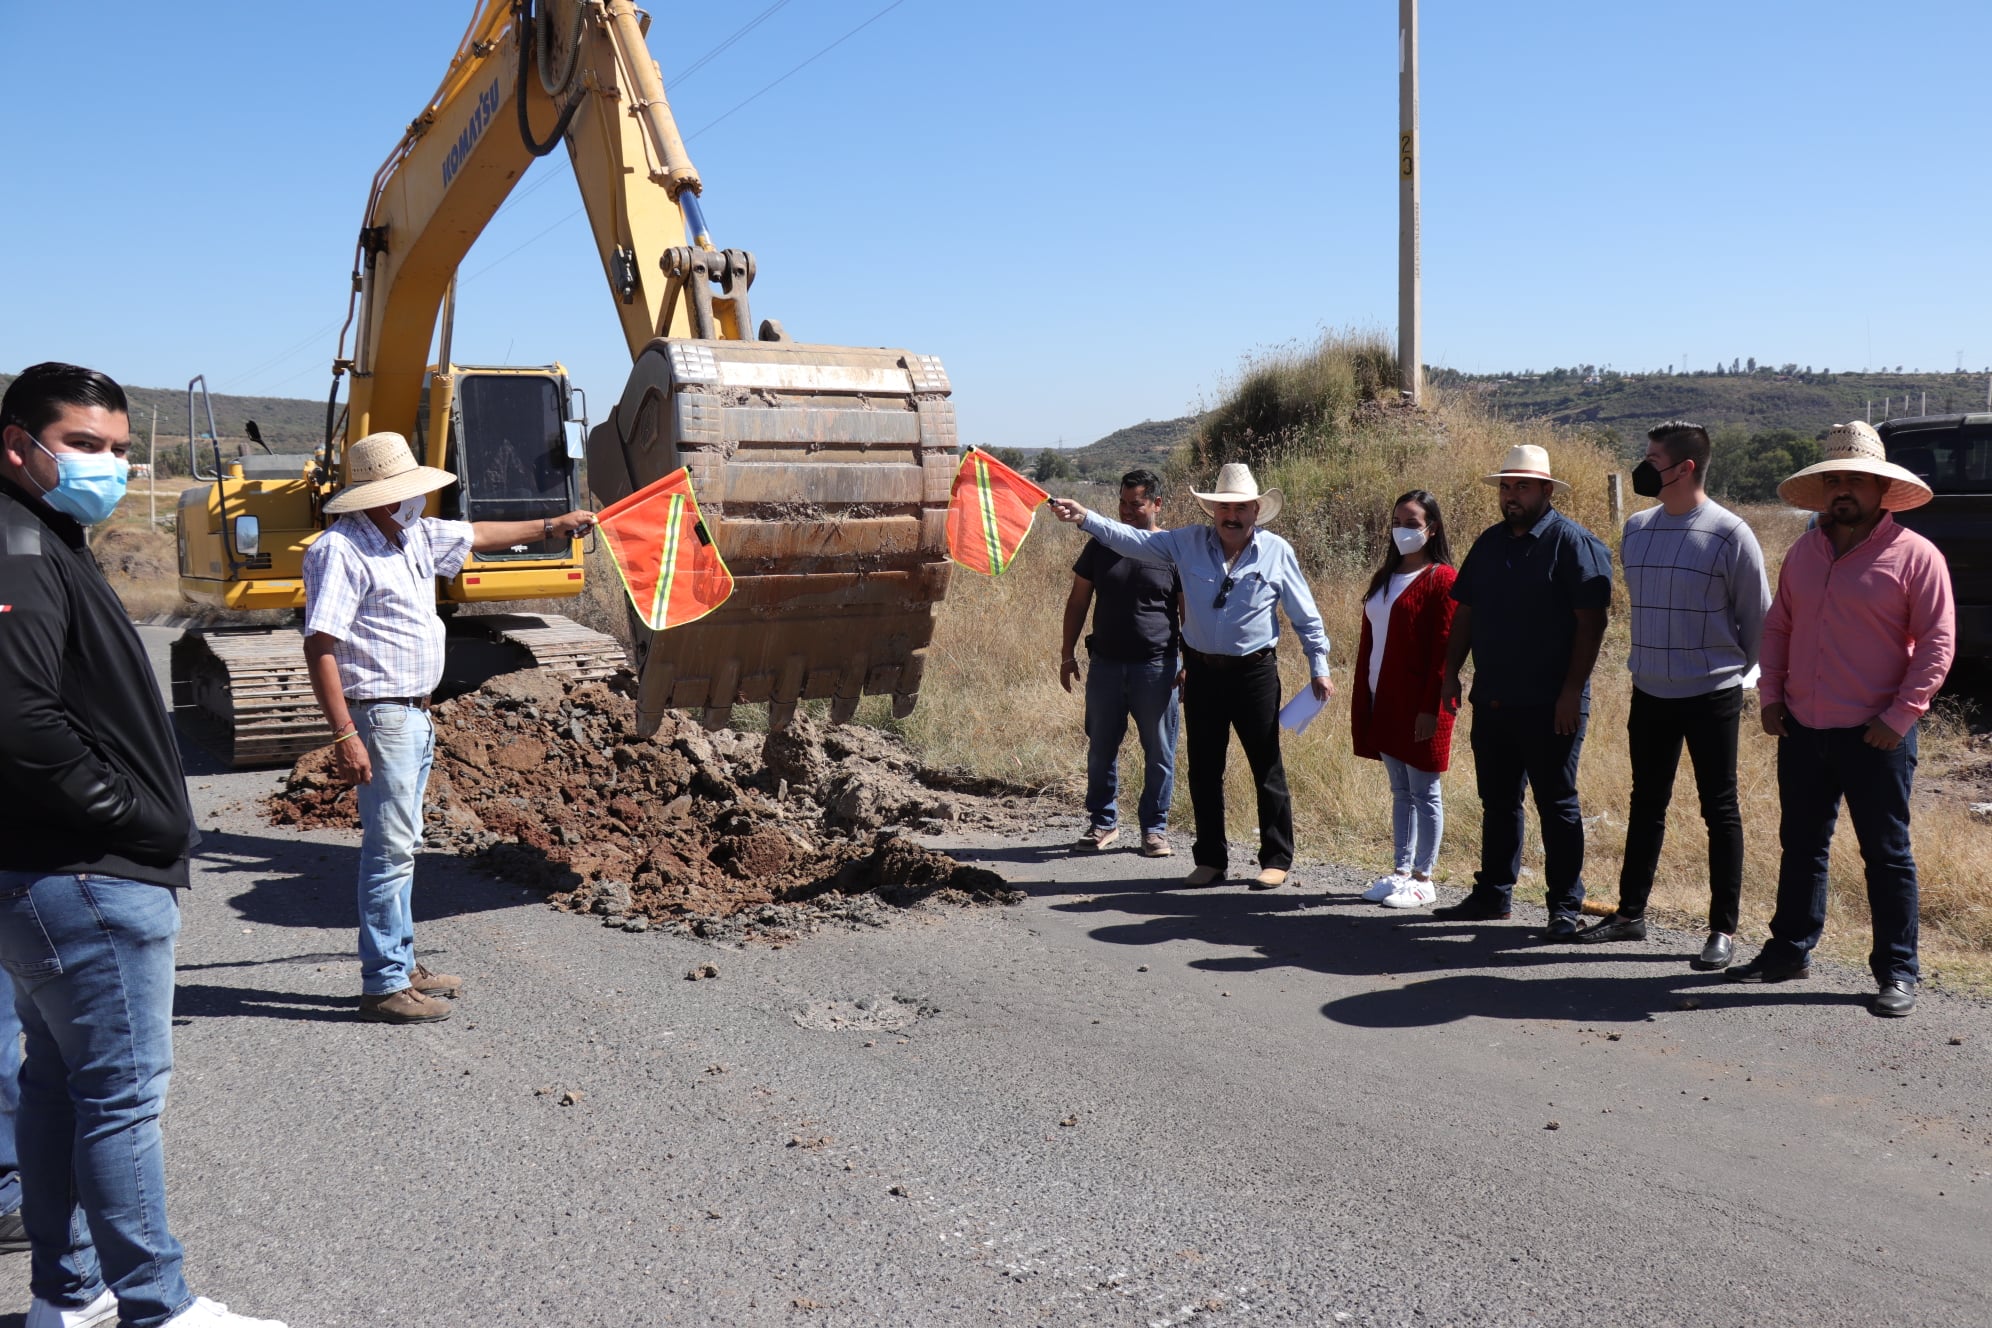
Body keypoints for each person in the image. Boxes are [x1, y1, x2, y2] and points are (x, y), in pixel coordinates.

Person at [0, 363, 286, 1327]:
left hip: (46, 871)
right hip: (86, 873)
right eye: (85, 444)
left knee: (54, 1089)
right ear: (17, 444)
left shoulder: (39, 537)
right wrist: (137, 815)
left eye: (121, 449)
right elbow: (18, 718)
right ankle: (157, 1306)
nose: (109, 465)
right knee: (121, 1099)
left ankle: (65, 1296)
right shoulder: (22, 552)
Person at [303, 431, 596, 1024]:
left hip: (414, 711)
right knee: (388, 853)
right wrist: (343, 734)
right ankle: (384, 984)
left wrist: (554, 525)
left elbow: (480, 534)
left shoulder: (409, 536)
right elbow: (320, 646)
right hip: (381, 714)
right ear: (380, 497)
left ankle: (403, 964)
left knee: (405, 846)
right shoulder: (341, 550)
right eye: (405, 494)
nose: (418, 502)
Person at [1729, 422, 1954, 1017]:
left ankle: (1899, 971)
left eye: (1855, 479)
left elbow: (1937, 643)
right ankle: (1789, 951)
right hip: (1804, 725)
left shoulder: (1916, 556)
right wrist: (1771, 696)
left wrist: (1900, 716)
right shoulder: (1804, 551)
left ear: (1882, 488)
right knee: (1801, 846)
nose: (1842, 490)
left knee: (1886, 854)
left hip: (1876, 734)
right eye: (1834, 479)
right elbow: (1779, 627)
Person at [1049, 463, 1332, 889]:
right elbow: (1133, 540)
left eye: (1240, 508)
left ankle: (1275, 858)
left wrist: (1319, 667)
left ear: (1256, 510)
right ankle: (1211, 860)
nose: (1231, 517)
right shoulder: (1187, 543)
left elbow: (1305, 617)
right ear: (1211, 511)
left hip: (1255, 672)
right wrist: (1086, 517)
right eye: (1223, 509)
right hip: (1202, 671)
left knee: (1266, 768)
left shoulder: (1277, 552)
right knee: (1203, 769)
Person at [1578, 422, 1770, 967]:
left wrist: (1740, 681)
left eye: (1652, 457)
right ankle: (1630, 914)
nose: (1643, 466)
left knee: (1720, 810)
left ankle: (1722, 932)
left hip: (1712, 695)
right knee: (1646, 804)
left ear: (1684, 467)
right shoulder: (1636, 529)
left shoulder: (1731, 534)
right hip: (1650, 693)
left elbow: (1758, 622)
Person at [1436, 444, 1613, 937]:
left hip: (1550, 703)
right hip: (1493, 699)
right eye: (1506, 487)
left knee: (1557, 803)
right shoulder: (1488, 544)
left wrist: (1570, 693)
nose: (1511, 496)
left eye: (1523, 487)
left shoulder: (1573, 544)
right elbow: (1465, 612)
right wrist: (1451, 672)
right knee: (1498, 801)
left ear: (1547, 490)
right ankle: (1494, 893)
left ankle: (1564, 904)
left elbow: (1591, 624)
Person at [1060, 469, 1182, 857]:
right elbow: (1078, 601)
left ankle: (1155, 829)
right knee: (1101, 748)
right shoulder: (1101, 545)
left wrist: (1188, 660)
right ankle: (1103, 822)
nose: (1127, 511)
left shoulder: (1172, 549)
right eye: (1122, 503)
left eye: (1137, 504)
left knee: (1160, 751)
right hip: (1106, 666)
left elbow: (1187, 610)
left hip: (1158, 667)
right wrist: (1067, 653)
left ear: (1157, 504)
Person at [1351, 490, 1458, 909]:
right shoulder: (1386, 575)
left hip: (1421, 704)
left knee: (1425, 791)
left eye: (1411, 523)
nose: (1402, 530)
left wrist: (1432, 708)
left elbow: (1445, 650)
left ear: (1431, 529)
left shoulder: (1441, 578)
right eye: (1397, 521)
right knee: (1401, 790)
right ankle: (1399, 872)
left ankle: (1423, 877)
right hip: (1384, 697)